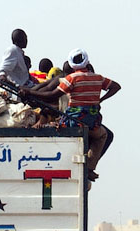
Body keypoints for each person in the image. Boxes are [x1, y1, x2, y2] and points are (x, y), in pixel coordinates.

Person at [20, 49, 121, 184]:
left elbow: (51, 95)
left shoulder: (71, 78)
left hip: (73, 122)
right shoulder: (98, 78)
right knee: (103, 135)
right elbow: (116, 87)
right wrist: (101, 100)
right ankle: (89, 167)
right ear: (87, 62)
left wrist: (28, 92)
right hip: (91, 123)